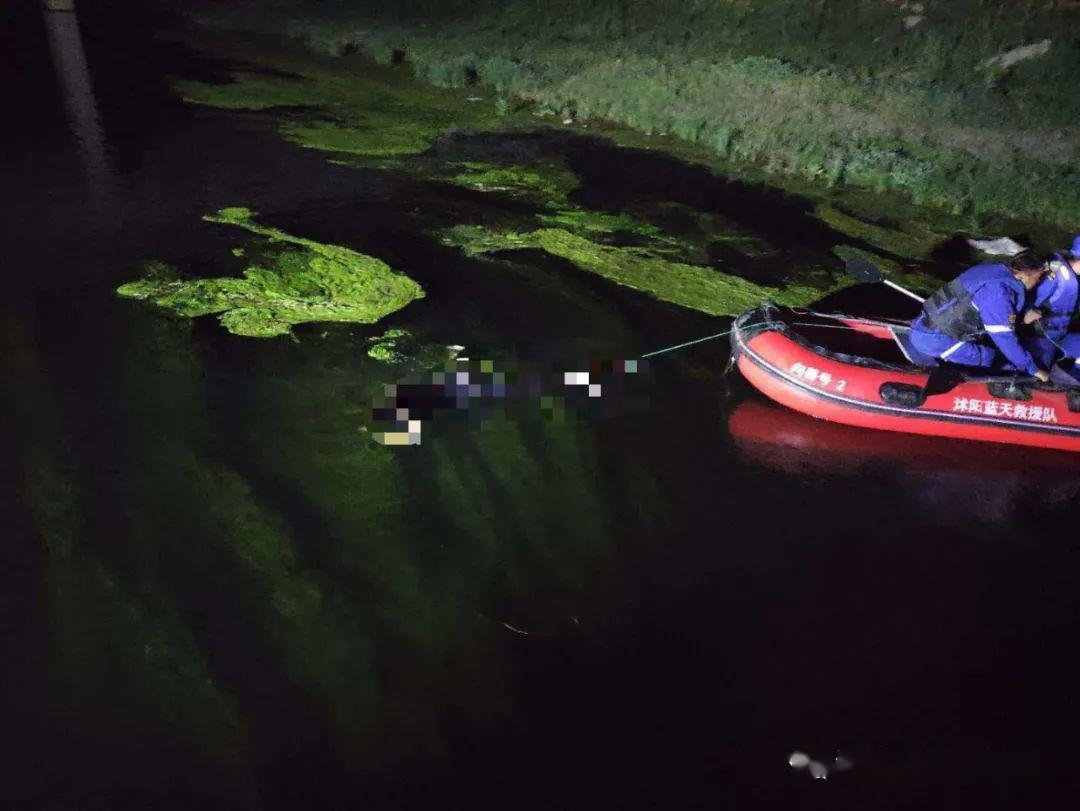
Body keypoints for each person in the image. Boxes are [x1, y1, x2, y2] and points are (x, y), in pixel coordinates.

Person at [909, 252, 1051, 381]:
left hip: (922, 325)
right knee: (990, 357)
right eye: (1038, 278)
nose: (1038, 282)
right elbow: (1004, 338)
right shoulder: (997, 294)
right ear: (1022, 275)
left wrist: (1021, 317)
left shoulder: (991, 269)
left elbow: (997, 311)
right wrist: (1034, 369)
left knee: (995, 345)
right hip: (936, 340)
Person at [1022, 236, 1080, 367]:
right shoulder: (1055, 277)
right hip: (1040, 337)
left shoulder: (1072, 275)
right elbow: (1029, 300)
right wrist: (1025, 317)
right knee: (1037, 373)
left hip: (1062, 332)